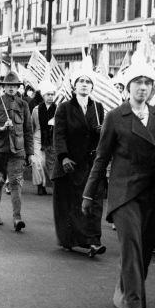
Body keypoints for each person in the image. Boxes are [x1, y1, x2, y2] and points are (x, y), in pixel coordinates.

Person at [83, 58, 155, 308]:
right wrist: (88, 194)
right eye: (138, 83)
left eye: (147, 83)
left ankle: (125, 292)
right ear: (128, 86)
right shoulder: (115, 117)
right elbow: (101, 157)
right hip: (124, 194)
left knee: (143, 251)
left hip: (151, 194)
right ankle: (134, 305)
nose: (143, 88)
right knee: (131, 246)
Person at [53, 70, 105, 256]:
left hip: (91, 164)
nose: (84, 84)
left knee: (94, 201)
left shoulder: (98, 108)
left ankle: (94, 241)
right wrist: (63, 157)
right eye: (81, 81)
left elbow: (103, 136)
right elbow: (58, 135)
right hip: (71, 164)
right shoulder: (64, 108)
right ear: (75, 86)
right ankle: (72, 239)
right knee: (72, 204)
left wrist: (101, 132)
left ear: (92, 87)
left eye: (88, 82)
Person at [0, 72, 33, 230]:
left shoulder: (24, 105)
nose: (11, 88)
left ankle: (17, 218)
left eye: (14, 86)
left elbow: (28, 131)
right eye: (8, 86)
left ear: (18, 88)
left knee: (16, 183)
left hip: (16, 152)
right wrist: (1, 128)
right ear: (3, 87)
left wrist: (30, 153)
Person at [30, 81, 58, 195]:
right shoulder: (36, 110)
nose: (50, 97)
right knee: (38, 162)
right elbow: (32, 126)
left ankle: (54, 185)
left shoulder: (58, 109)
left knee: (51, 163)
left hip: (53, 139)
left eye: (52, 94)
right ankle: (39, 185)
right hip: (38, 138)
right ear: (43, 95)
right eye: (48, 94)